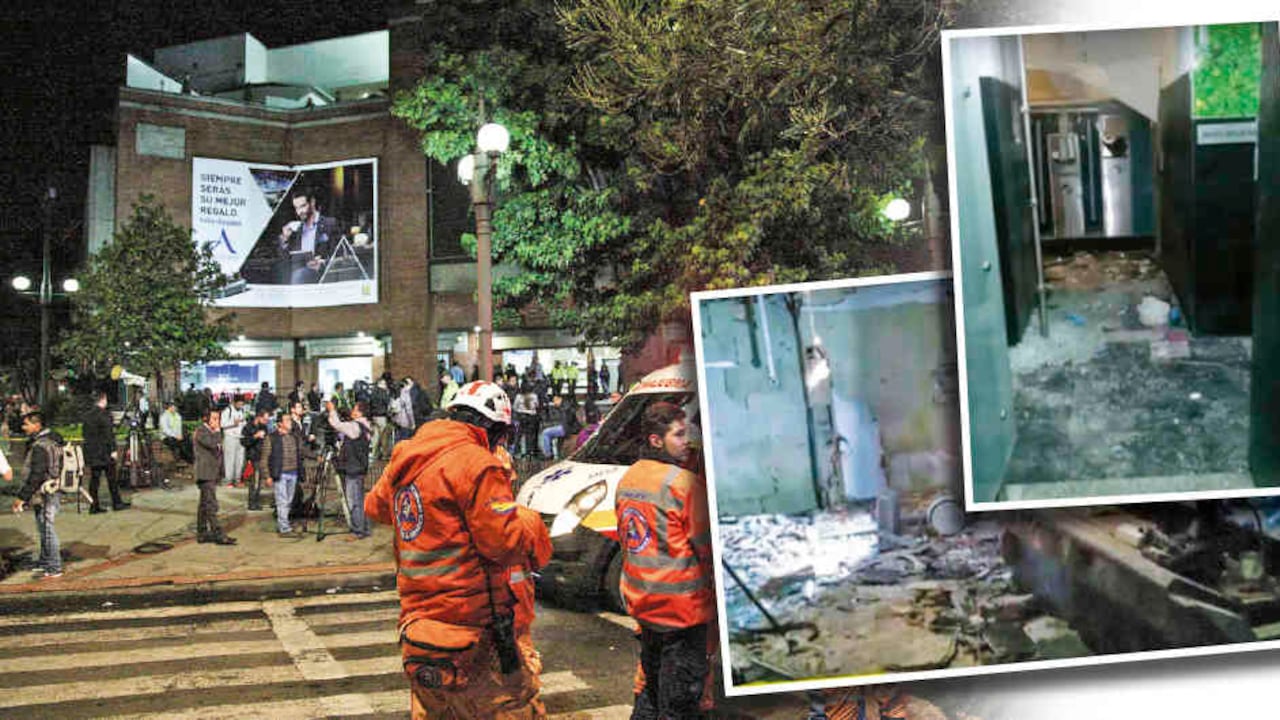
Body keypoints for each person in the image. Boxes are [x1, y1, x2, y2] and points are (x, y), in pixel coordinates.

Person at [365, 381, 551, 719]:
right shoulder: (476, 464)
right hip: (472, 629)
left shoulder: (408, 453)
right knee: (513, 708)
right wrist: (528, 519)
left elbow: (376, 507)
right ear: (493, 429)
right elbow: (504, 544)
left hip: (421, 630)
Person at [615, 402, 714, 719]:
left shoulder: (629, 479)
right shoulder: (683, 484)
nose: (687, 440)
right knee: (679, 704)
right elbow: (708, 551)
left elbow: (631, 540)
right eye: (679, 434)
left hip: (645, 608)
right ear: (656, 440)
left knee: (651, 692)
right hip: (683, 614)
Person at [12, 411, 65, 579]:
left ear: (37, 425)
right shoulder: (53, 440)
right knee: (44, 528)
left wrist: (22, 497)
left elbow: (37, 474)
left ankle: (55, 566)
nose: (23, 427)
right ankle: (45, 562)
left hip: (46, 492)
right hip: (50, 489)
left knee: (47, 529)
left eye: (26, 424)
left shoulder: (41, 445)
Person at [326, 399, 373, 538]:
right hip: (360, 467)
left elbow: (336, 424)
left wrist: (331, 410)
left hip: (353, 468)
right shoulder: (367, 426)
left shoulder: (355, 427)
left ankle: (358, 531)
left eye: (355, 409)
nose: (352, 411)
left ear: (360, 413)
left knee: (354, 501)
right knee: (359, 499)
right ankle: (364, 528)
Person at [193, 409, 236, 545]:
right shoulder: (201, 431)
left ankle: (202, 532)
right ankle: (218, 533)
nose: (217, 422)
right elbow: (212, 444)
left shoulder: (211, 432)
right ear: (206, 419)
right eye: (215, 419)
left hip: (212, 472)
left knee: (204, 504)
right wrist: (217, 431)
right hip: (205, 473)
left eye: (218, 419)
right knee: (211, 504)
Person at [267, 413, 312, 535]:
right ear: (280, 423)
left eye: (290, 420)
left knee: (288, 501)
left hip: (293, 473)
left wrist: (315, 456)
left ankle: (283, 523)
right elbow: (265, 457)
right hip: (280, 473)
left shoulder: (294, 437)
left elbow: (303, 451)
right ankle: (284, 528)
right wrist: (267, 475)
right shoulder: (272, 438)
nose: (290, 423)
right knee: (282, 501)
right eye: (286, 420)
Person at [83, 392, 128, 514]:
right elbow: (109, 435)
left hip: (92, 452)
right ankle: (117, 503)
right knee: (112, 479)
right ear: (103, 400)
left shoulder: (87, 415)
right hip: (104, 452)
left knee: (94, 480)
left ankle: (94, 505)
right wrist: (113, 450)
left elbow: (85, 435)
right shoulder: (105, 415)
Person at [285, 187, 341, 284]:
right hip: (299, 275)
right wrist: (284, 239)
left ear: (312, 202)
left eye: (303, 206)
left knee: (299, 275)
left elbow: (341, 256)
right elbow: (287, 259)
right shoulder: (296, 229)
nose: (299, 212)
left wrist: (323, 263)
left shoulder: (330, 224)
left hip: (322, 275)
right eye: (296, 208)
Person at [240, 409, 272, 511]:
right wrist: (255, 436)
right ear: (259, 417)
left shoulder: (264, 427)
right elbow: (244, 441)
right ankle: (252, 502)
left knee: (260, 482)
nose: (266, 421)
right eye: (265, 419)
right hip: (252, 457)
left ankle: (256, 500)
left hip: (262, 456)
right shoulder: (248, 427)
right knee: (253, 481)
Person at [221, 396, 249, 487]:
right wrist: (233, 423)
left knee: (239, 460)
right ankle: (228, 480)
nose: (240, 406)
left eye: (242, 404)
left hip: (240, 438)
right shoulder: (227, 411)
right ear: (234, 402)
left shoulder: (242, 411)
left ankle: (237, 479)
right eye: (239, 404)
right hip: (230, 438)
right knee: (229, 460)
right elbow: (222, 425)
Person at [513, 383, 539, 458]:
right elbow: (537, 405)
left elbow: (515, 407)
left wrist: (520, 410)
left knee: (519, 435)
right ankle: (529, 452)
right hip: (531, 418)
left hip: (521, 417)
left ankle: (518, 452)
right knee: (530, 435)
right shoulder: (534, 396)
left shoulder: (518, 396)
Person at [540, 395, 568, 460]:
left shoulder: (565, 407)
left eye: (556, 400)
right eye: (553, 401)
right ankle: (549, 452)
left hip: (565, 427)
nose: (554, 402)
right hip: (563, 426)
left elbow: (563, 420)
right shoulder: (561, 406)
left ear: (560, 399)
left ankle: (548, 454)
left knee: (545, 433)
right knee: (547, 431)